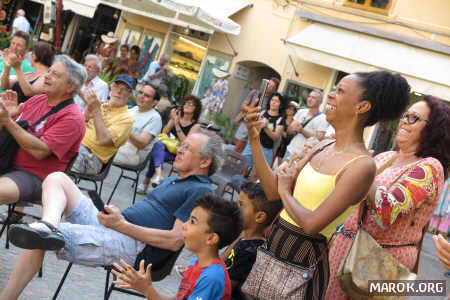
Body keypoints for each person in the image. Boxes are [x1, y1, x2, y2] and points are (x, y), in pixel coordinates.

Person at [243, 71, 411, 299]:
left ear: (361, 107)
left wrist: (285, 190)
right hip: (273, 250)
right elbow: (273, 192)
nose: (330, 96)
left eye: (339, 91)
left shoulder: (362, 165)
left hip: (301, 263)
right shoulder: (324, 145)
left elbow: (312, 224)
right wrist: (254, 136)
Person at [2, 130, 225, 300]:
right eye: (181, 145)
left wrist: (121, 225)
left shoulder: (200, 190)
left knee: (37, 238)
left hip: (135, 247)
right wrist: (116, 218)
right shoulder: (175, 179)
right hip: (117, 226)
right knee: (57, 178)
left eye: (187, 148)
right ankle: (48, 225)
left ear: (205, 161)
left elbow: (175, 241)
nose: (179, 149)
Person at [325, 95, 449, 299]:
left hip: (379, 260)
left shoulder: (430, 167)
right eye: (404, 115)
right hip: (344, 247)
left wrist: (359, 165)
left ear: (433, 128)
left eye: (413, 118)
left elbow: (387, 209)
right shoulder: (385, 157)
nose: (403, 121)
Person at [0, 55, 86, 215]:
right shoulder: (38, 99)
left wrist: (9, 122)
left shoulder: (73, 117)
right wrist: (6, 118)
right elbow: (7, 134)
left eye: (55, 75)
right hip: (7, 161)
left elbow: (40, 151)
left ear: (70, 87)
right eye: (49, 71)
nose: (47, 76)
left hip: (36, 177)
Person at [112, 194, 241, 300]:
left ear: (211, 238)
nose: (184, 225)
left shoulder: (212, 278)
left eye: (192, 222)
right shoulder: (197, 263)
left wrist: (147, 289)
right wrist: (145, 288)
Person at [222, 181, 281, 300]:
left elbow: (224, 289)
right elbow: (220, 263)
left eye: (241, 205)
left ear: (259, 216)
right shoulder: (244, 239)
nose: (235, 208)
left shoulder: (251, 251)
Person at [137, 95, 202, 193]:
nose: (186, 105)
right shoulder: (176, 117)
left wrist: (176, 124)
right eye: (186, 102)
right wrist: (172, 119)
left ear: (196, 109)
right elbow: (164, 133)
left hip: (179, 153)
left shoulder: (196, 126)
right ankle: (158, 175)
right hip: (166, 149)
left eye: (191, 104)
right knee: (158, 146)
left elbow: (186, 142)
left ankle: (146, 182)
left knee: (156, 153)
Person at [72, 74, 135, 174]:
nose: (118, 91)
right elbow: (74, 126)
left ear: (130, 95)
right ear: (111, 89)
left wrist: (96, 111)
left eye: (125, 89)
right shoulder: (100, 105)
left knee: (58, 152)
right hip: (77, 147)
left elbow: (103, 140)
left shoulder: (127, 119)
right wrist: (85, 117)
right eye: (116, 86)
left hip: (91, 159)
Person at [114, 84, 162, 166]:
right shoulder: (133, 109)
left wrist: (126, 130)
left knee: (101, 151)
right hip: (119, 147)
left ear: (154, 102)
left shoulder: (155, 118)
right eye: (140, 93)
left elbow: (142, 143)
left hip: (133, 155)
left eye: (146, 95)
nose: (141, 96)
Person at [242, 92, 286, 181]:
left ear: (281, 105)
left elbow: (275, 137)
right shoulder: (261, 112)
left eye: (277, 101)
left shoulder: (281, 120)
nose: (273, 102)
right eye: (272, 100)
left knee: (255, 175)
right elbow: (251, 127)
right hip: (252, 144)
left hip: (266, 150)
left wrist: (265, 126)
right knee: (242, 167)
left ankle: (247, 192)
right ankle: (231, 187)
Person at [233, 77, 279, 154]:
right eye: (268, 84)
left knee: (248, 150)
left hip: (256, 126)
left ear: (274, 90)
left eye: (272, 86)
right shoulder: (255, 93)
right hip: (245, 122)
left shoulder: (271, 100)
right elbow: (243, 106)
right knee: (238, 146)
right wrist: (252, 110)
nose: (269, 87)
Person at [285, 90, 329, 159]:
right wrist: (291, 128)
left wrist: (302, 131)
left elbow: (318, 140)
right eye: (309, 97)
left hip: (304, 156)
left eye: (313, 98)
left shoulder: (323, 118)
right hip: (290, 150)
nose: (309, 99)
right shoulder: (301, 111)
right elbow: (289, 132)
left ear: (320, 102)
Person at [274, 101, 298, 166]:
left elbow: (288, 136)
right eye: (288, 108)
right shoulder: (281, 119)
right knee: (272, 159)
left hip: (286, 145)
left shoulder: (294, 122)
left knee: (281, 163)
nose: (289, 110)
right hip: (276, 142)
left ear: (295, 111)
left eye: (291, 109)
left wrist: (280, 130)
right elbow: (273, 128)